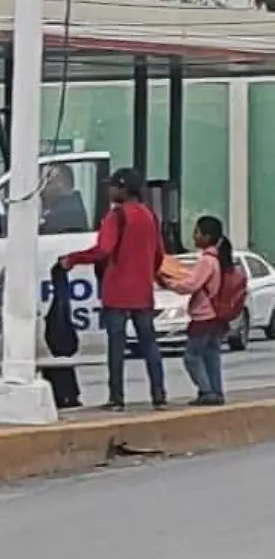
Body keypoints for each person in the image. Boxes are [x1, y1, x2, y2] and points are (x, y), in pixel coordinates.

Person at [60, 167, 167, 410]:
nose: (109, 191)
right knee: (149, 344)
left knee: (116, 347)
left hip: (117, 290)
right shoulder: (150, 215)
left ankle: (116, 398)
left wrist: (72, 259)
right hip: (142, 291)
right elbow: (159, 255)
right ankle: (159, 394)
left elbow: (103, 250)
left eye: (112, 186)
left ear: (122, 188)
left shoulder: (116, 217)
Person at [160, 216, 229, 405]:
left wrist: (169, 283)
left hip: (203, 316)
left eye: (197, 232)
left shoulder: (207, 260)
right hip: (215, 316)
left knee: (191, 357)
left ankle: (206, 391)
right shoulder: (217, 259)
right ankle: (216, 391)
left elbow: (191, 285)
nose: (194, 236)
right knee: (211, 356)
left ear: (207, 236)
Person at [39, 164, 89, 408]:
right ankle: (65, 391)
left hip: (59, 281)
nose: (45, 185)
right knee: (54, 336)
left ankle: (66, 393)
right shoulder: (52, 209)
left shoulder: (66, 210)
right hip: (50, 282)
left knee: (57, 334)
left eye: (51, 180)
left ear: (66, 184)